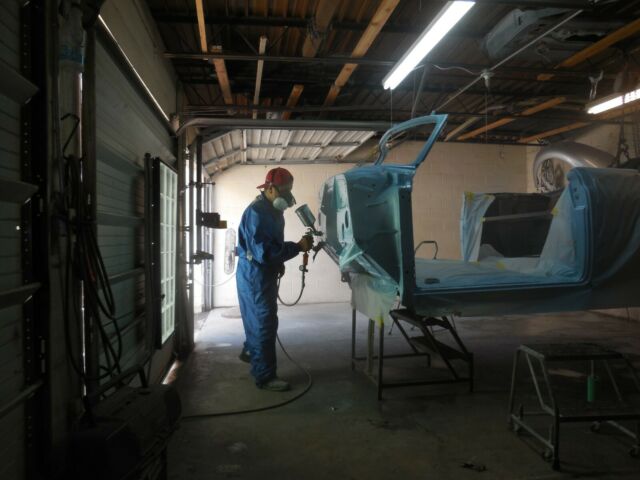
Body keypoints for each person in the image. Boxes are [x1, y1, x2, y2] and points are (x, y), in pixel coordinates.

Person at [236, 167, 313, 391]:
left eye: (289, 190)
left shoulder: (273, 210)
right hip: (255, 275)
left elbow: (271, 245)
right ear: (269, 188)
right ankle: (265, 376)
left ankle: (251, 351)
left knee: (257, 319)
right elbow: (265, 252)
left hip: (261, 272)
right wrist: (297, 247)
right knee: (264, 323)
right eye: (284, 191)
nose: (287, 196)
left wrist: (279, 263)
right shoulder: (257, 212)